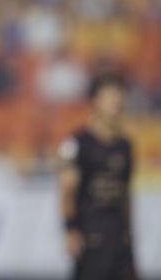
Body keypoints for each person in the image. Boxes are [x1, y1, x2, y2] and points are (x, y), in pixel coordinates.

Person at [58, 74, 137, 280]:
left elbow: (126, 193)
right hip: (91, 237)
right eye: (109, 96)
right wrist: (70, 229)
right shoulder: (78, 144)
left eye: (119, 96)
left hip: (119, 238)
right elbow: (67, 191)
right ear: (95, 101)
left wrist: (129, 233)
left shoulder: (125, 146)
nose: (116, 101)